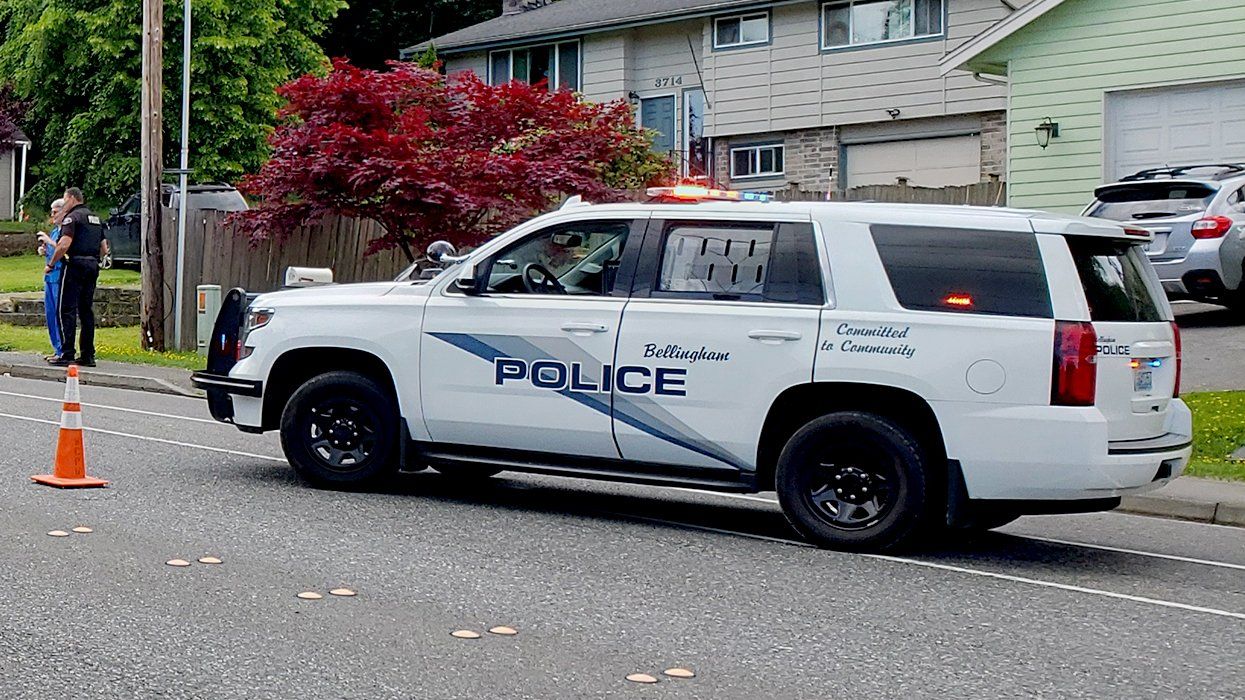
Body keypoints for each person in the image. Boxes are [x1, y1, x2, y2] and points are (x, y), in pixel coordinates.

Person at [45, 187, 109, 368]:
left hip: (75, 265)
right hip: (92, 265)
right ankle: (88, 354)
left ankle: (67, 353)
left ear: (72, 199)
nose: (64, 203)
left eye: (65, 200)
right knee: (86, 310)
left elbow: (64, 244)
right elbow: (104, 248)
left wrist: (51, 263)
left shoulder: (72, 218)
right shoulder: (95, 219)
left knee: (66, 309)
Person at [35, 199, 66, 361]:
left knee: (58, 313)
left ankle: (63, 349)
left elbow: (63, 249)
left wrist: (49, 242)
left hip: (59, 274)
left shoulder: (66, 231)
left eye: (55, 212)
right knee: (49, 313)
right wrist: (44, 249)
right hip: (49, 275)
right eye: (52, 212)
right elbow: (52, 249)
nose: (52, 215)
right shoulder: (55, 231)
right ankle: (56, 348)